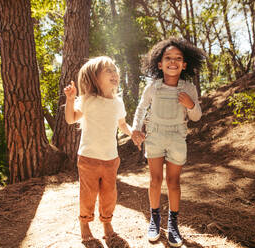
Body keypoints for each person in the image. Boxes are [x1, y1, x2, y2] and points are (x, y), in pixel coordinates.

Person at [131, 37, 204, 247]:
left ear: (185, 64)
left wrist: (191, 105)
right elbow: (141, 108)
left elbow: (196, 116)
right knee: (155, 180)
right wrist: (136, 128)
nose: (173, 61)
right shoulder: (153, 87)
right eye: (168, 58)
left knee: (173, 182)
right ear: (160, 64)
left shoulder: (189, 88)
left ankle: (173, 223)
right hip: (154, 135)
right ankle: (154, 219)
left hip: (177, 138)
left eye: (178, 58)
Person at [64, 56, 134, 241]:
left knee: (109, 194)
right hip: (88, 158)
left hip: (111, 158)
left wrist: (133, 133)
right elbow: (71, 119)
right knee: (88, 195)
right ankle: (84, 223)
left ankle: (107, 222)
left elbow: (122, 124)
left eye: (115, 70)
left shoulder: (118, 102)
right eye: (108, 70)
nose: (114, 73)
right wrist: (71, 99)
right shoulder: (88, 100)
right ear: (95, 77)